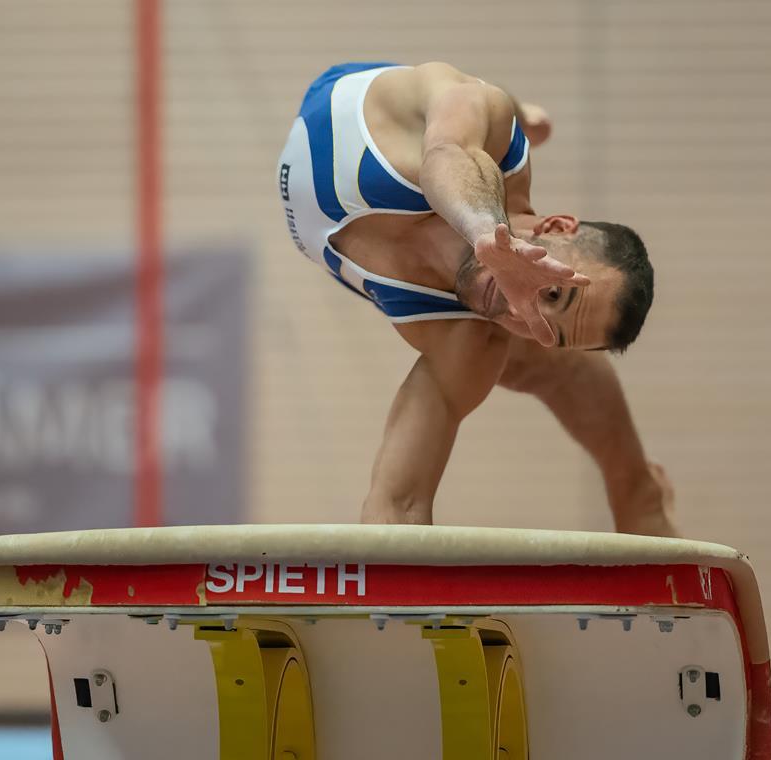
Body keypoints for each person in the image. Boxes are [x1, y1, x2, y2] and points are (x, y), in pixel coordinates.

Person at [277, 61, 675, 536]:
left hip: (454, 182)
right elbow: (449, 156)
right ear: (556, 226)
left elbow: (397, 508)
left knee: (534, 357)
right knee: (486, 108)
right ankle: (523, 115)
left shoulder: (470, 341)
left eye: (549, 323)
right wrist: (490, 236)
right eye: (552, 292)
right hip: (362, 108)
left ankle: (639, 493)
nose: (522, 312)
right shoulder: (469, 120)